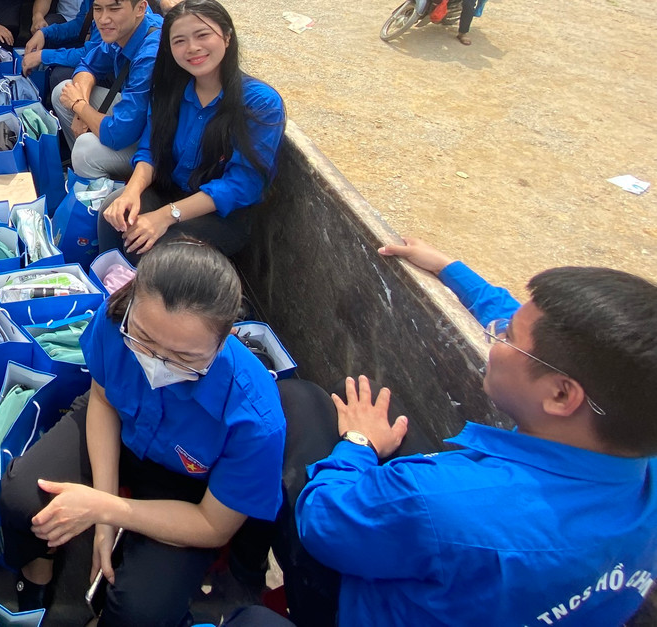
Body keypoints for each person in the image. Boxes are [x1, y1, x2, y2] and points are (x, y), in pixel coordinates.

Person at [272, 236, 657, 627]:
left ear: (560, 394)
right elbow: (547, 341)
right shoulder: (630, 437)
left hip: (360, 605)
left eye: (507, 336)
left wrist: (359, 443)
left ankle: (252, 582)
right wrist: (448, 269)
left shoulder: (436, 498)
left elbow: (322, 524)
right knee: (358, 395)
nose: (495, 337)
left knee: (300, 400)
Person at [0, 240, 286, 626]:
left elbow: (212, 525)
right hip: (117, 427)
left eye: (185, 358)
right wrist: (103, 514)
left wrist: (105, 509)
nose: (156, 364)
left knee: (141, 612)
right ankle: (37, 577)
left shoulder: (255, 418)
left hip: (187, 486)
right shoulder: (115, 319)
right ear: (132, 305)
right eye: (143, 340)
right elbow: (102, 401)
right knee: (23, 498)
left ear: (226, 338)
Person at [101, 0, 285, 259]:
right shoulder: (169, 89)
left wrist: (166, 216)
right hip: (169, 191)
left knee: (156, 249)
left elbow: (243, 183)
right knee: (115, 215)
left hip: (219, 214)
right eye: (179, 41)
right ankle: (108, 281)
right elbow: (151, 149)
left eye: (202, 35)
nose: (192, 48)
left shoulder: (259, 103)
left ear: (227, 36)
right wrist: (131, 192)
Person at [51, 0, 163, 181]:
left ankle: (101, 189)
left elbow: (119, 133)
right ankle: (89, 172)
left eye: (114, 9)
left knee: (86, 150)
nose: (103, 19)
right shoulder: (125, 29)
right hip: (138, 117)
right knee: (62, 91)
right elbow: (88, 65)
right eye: (98, 9)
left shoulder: (151, 54)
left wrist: (80, 106)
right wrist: (81, 111)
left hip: (157, 145)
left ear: (140, 8)